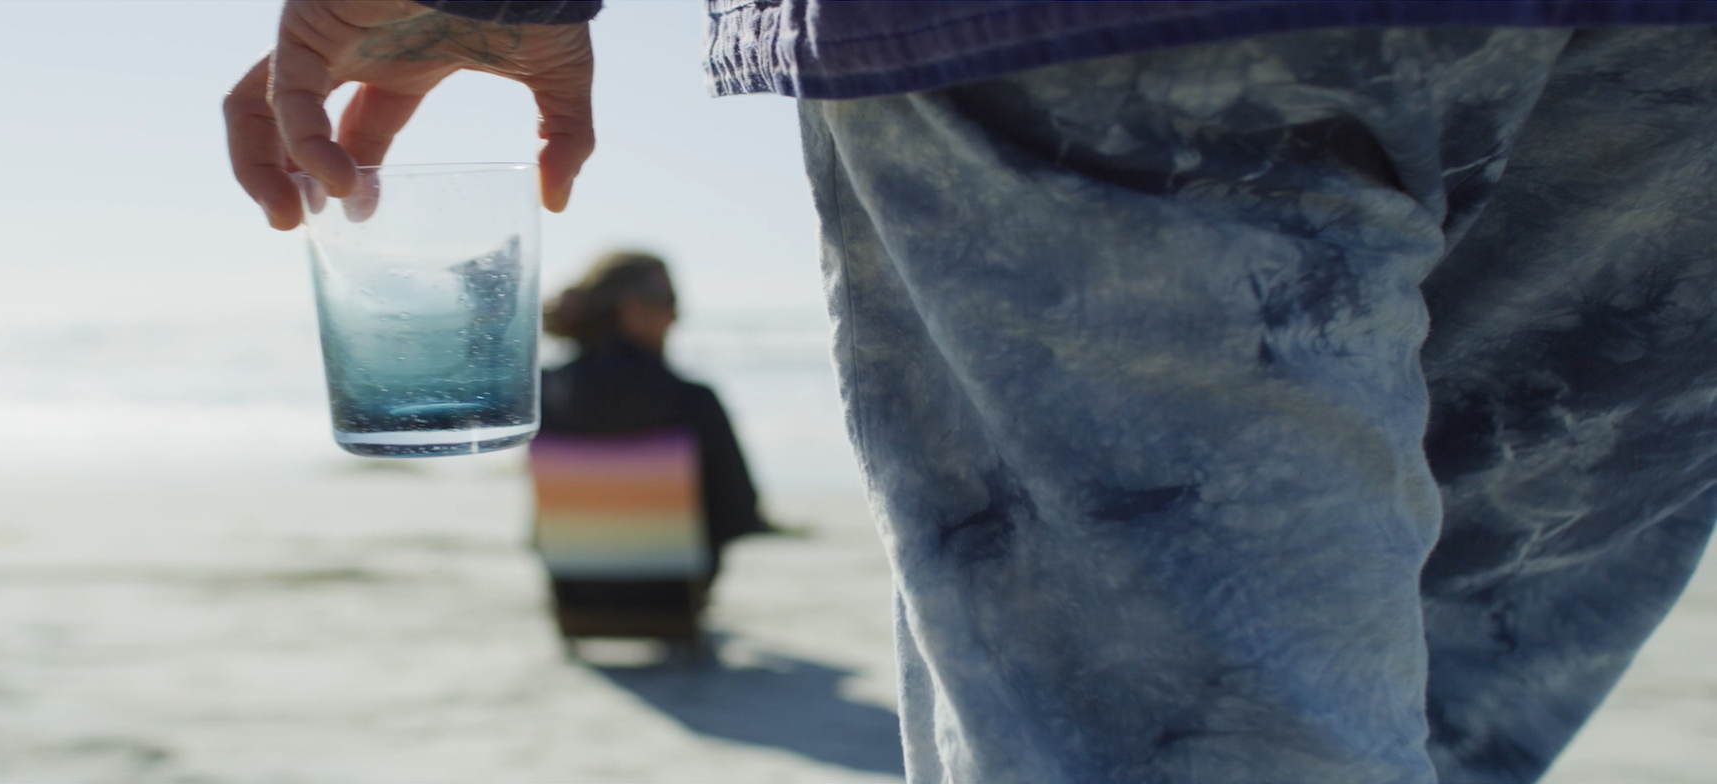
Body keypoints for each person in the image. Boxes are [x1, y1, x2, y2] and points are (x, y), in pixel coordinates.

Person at [223, 3, 1717, 781]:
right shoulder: (659, 387)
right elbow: (717, 475)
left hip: (1084, 35)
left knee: (1219, 732)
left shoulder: (562, 380)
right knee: (1421, 706)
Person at [538, 250, 771, 576]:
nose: (676, 316)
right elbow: (741, 513)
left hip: (575, 590)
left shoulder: (545, 391)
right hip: (676, 595)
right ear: (630, 307)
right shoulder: (692, 400)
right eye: (669, 301)